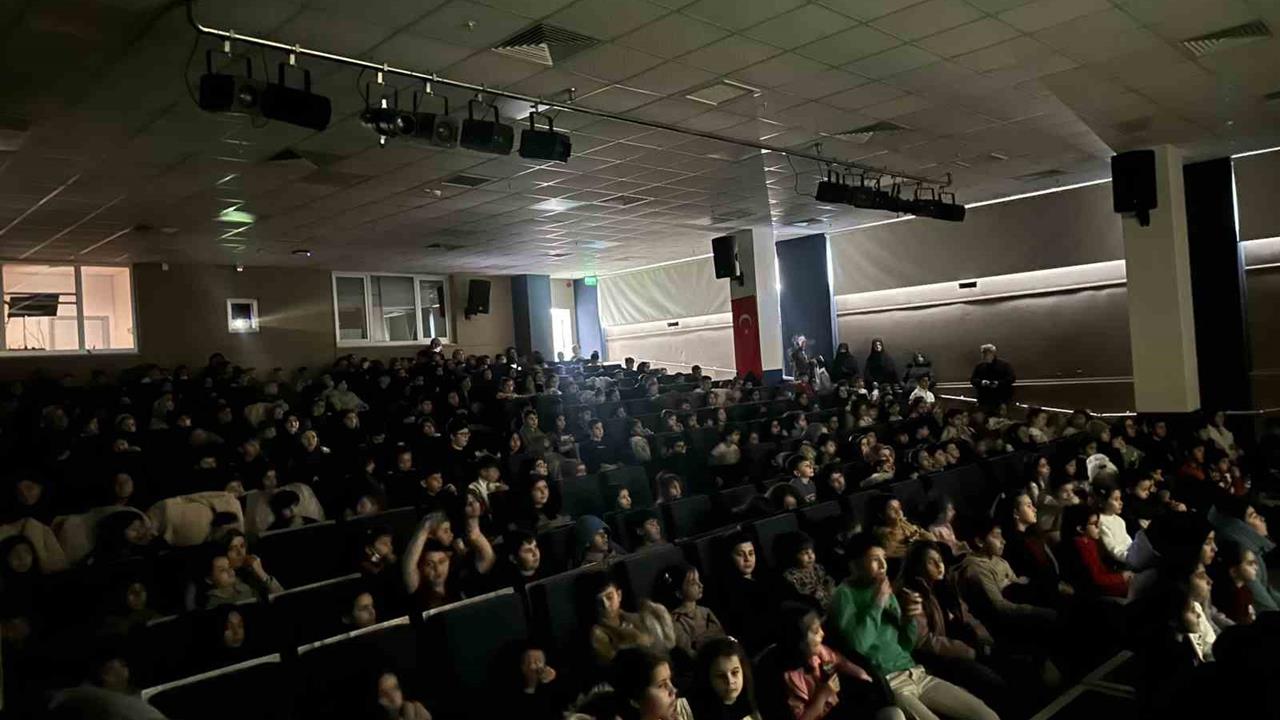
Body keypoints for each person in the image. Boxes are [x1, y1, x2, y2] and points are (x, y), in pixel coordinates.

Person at [828, 533, 1000, 720]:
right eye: (875, 560)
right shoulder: (844, 595)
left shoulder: (883, 588)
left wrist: (910, 618)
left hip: (915, 672)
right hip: (890, 682)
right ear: (854, 565)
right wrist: (878, 603)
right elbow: (858, 645)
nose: (883, 565)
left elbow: (906, 644)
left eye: (884, 558)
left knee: (986, 715)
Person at [896, 541, 1009, 716]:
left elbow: (965, 616)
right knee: (990, 681)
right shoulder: (912, 595)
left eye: (940, 560)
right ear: (917, 567)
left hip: (960, 645)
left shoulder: (943, 586)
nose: (939, 565)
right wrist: (967, 651)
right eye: (931, 561)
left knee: (1006, 660)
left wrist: (983, 638)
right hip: (937, 658)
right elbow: (925, 641)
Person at [777, 604, 902, 720]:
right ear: (800, 641)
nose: (822, 633)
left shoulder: (819, 652)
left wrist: (860, 673)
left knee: (893, 713)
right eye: (815, 631)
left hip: (841, 707)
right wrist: (822, 695)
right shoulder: (792, 678)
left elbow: (839, 661)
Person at [1208, 495, 1280, 612]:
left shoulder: (1253, 550)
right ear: (1241, 528)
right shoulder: (1242, 555)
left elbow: (1267, 590)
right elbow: (1264, 605)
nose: (1262, 518)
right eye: (1254, 516)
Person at [1061, 504, 1130, 599]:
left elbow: (1101, 571)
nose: (1099, 527)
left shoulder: (1089, 542)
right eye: (1094, 524)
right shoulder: (1079, 547)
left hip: (1103, 584)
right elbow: (1095, 580)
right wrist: (1122, 577)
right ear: (1080, 529)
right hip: (1092, 593)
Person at [658, 564, 725, 658]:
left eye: (699, 580)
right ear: (679, 593)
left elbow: (721, 635)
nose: (700, 585)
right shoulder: (676, 621)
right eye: (693, 583)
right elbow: (688, 652)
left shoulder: (706, 611)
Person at [688, 637, 762, 720]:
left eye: (735, 672)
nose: (730, 681)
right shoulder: (693, 710)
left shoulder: (758, 699)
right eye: (721, 676)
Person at [780, 531, 836, 611]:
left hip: (831, 603)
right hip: (813, 610)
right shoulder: (790, 576)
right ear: (794, 555)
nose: (810, 556)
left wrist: (830, 586)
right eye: (804, 553)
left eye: (812, 552)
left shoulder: (818, 567)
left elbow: (828, 581)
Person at [868, 494, 929, 559]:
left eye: (899, 508)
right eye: (892, 509)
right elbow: (897, 555)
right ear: (881, 515)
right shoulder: (882, 536)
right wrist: (913, 542)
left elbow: (930, 540)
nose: (898, 512)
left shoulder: (908, 526)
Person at [1211, 539, 1257, 625]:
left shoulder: (1246, 590)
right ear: (1234, 571)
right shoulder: (1230, 597)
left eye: (1255, 563)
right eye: (1250, 564)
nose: (1255, 567)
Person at [969, 344, 1015, 411]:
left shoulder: (1004, 365)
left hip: (1000, 399)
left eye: (986, 353)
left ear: (992, 353)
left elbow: (1011, 379)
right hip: (985, 400)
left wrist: (998, 383)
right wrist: (982, 382)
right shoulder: (980, 366)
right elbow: (973, 380)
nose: (984, 356)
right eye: (983, 353)